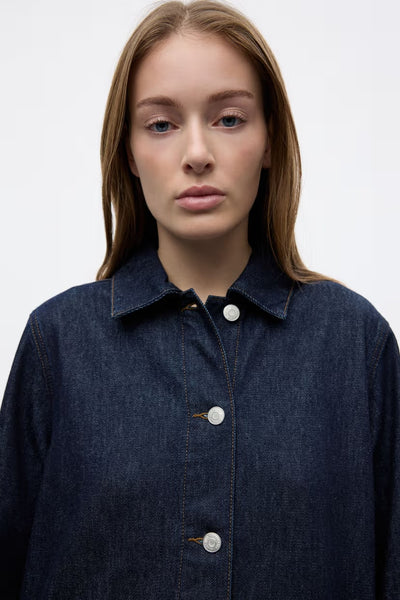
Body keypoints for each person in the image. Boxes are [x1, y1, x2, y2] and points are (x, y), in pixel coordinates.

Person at [0, 0, 399, 598]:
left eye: (229, 119)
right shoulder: (57, 343)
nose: (196, 153)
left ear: (270, 140)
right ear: (128, 152)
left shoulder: (355, 344)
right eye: (161, 124)